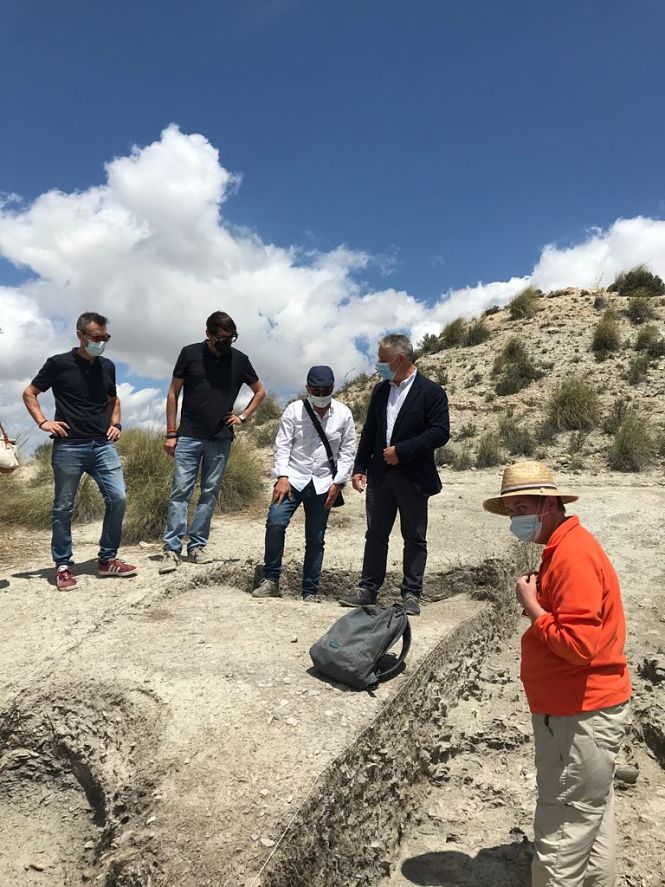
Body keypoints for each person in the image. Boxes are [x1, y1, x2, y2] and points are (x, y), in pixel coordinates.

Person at [483, 461, 631, 887]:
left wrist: (532, 607)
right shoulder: (566, 549)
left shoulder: (572, 555)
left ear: (549, 504)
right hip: (583, 709)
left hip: (577, 714)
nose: (515, 519)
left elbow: (578, 646)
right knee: (590, 819)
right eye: (510, 512)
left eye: (521, 508)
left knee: (562, 833)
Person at [22, 311, 137, 591]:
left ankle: (107, 559)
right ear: (80, 335)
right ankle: (63, 565)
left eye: (105, 337)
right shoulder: (58, 363)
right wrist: (43, 422)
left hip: (102, 445)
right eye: (96, 337)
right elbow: (29, 392)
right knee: (63, 507)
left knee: (119, 497)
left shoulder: (107, 366)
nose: (101, 342)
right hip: (69, 446)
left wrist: (116, 424)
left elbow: (114, 399)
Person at [339, 333, 449, 616]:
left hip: (413, 477)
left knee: (414, 536)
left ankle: (412, 594)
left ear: (401, 359)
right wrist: (359, 467)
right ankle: (368, 590)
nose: (378, 364)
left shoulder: (431, 392)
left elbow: (440, 433)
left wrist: (403, 450)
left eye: (383, 360)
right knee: (375, 534)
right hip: (379, 477)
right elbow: (371, 432)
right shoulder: (380, 391)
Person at [159, 311, 265, 573]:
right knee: (180, 491)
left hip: (220, 438)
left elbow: (260, 391)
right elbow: (173, 393)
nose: (226, 343)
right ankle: (171, 550)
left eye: (231, 338)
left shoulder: (240, 360)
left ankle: (197, 546)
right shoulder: (189, 353)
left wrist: (243, 416)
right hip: (189, 435)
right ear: (208, 335)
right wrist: (171, 433)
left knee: (209, 493)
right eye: (221, 338)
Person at [253, 366, 355, 601]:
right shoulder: (294, 410)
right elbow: (283, 445)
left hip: (324, 483)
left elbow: (348, 451)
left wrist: (338, 483)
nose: (320, 394)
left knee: (316, 538)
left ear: (333, 388)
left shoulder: (343, 414)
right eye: (316, 390)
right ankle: (271, 580)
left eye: (325, 390)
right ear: (308, 388)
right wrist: (282, 477)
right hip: (293, 479)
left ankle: (310, 591)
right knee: (276, 523)